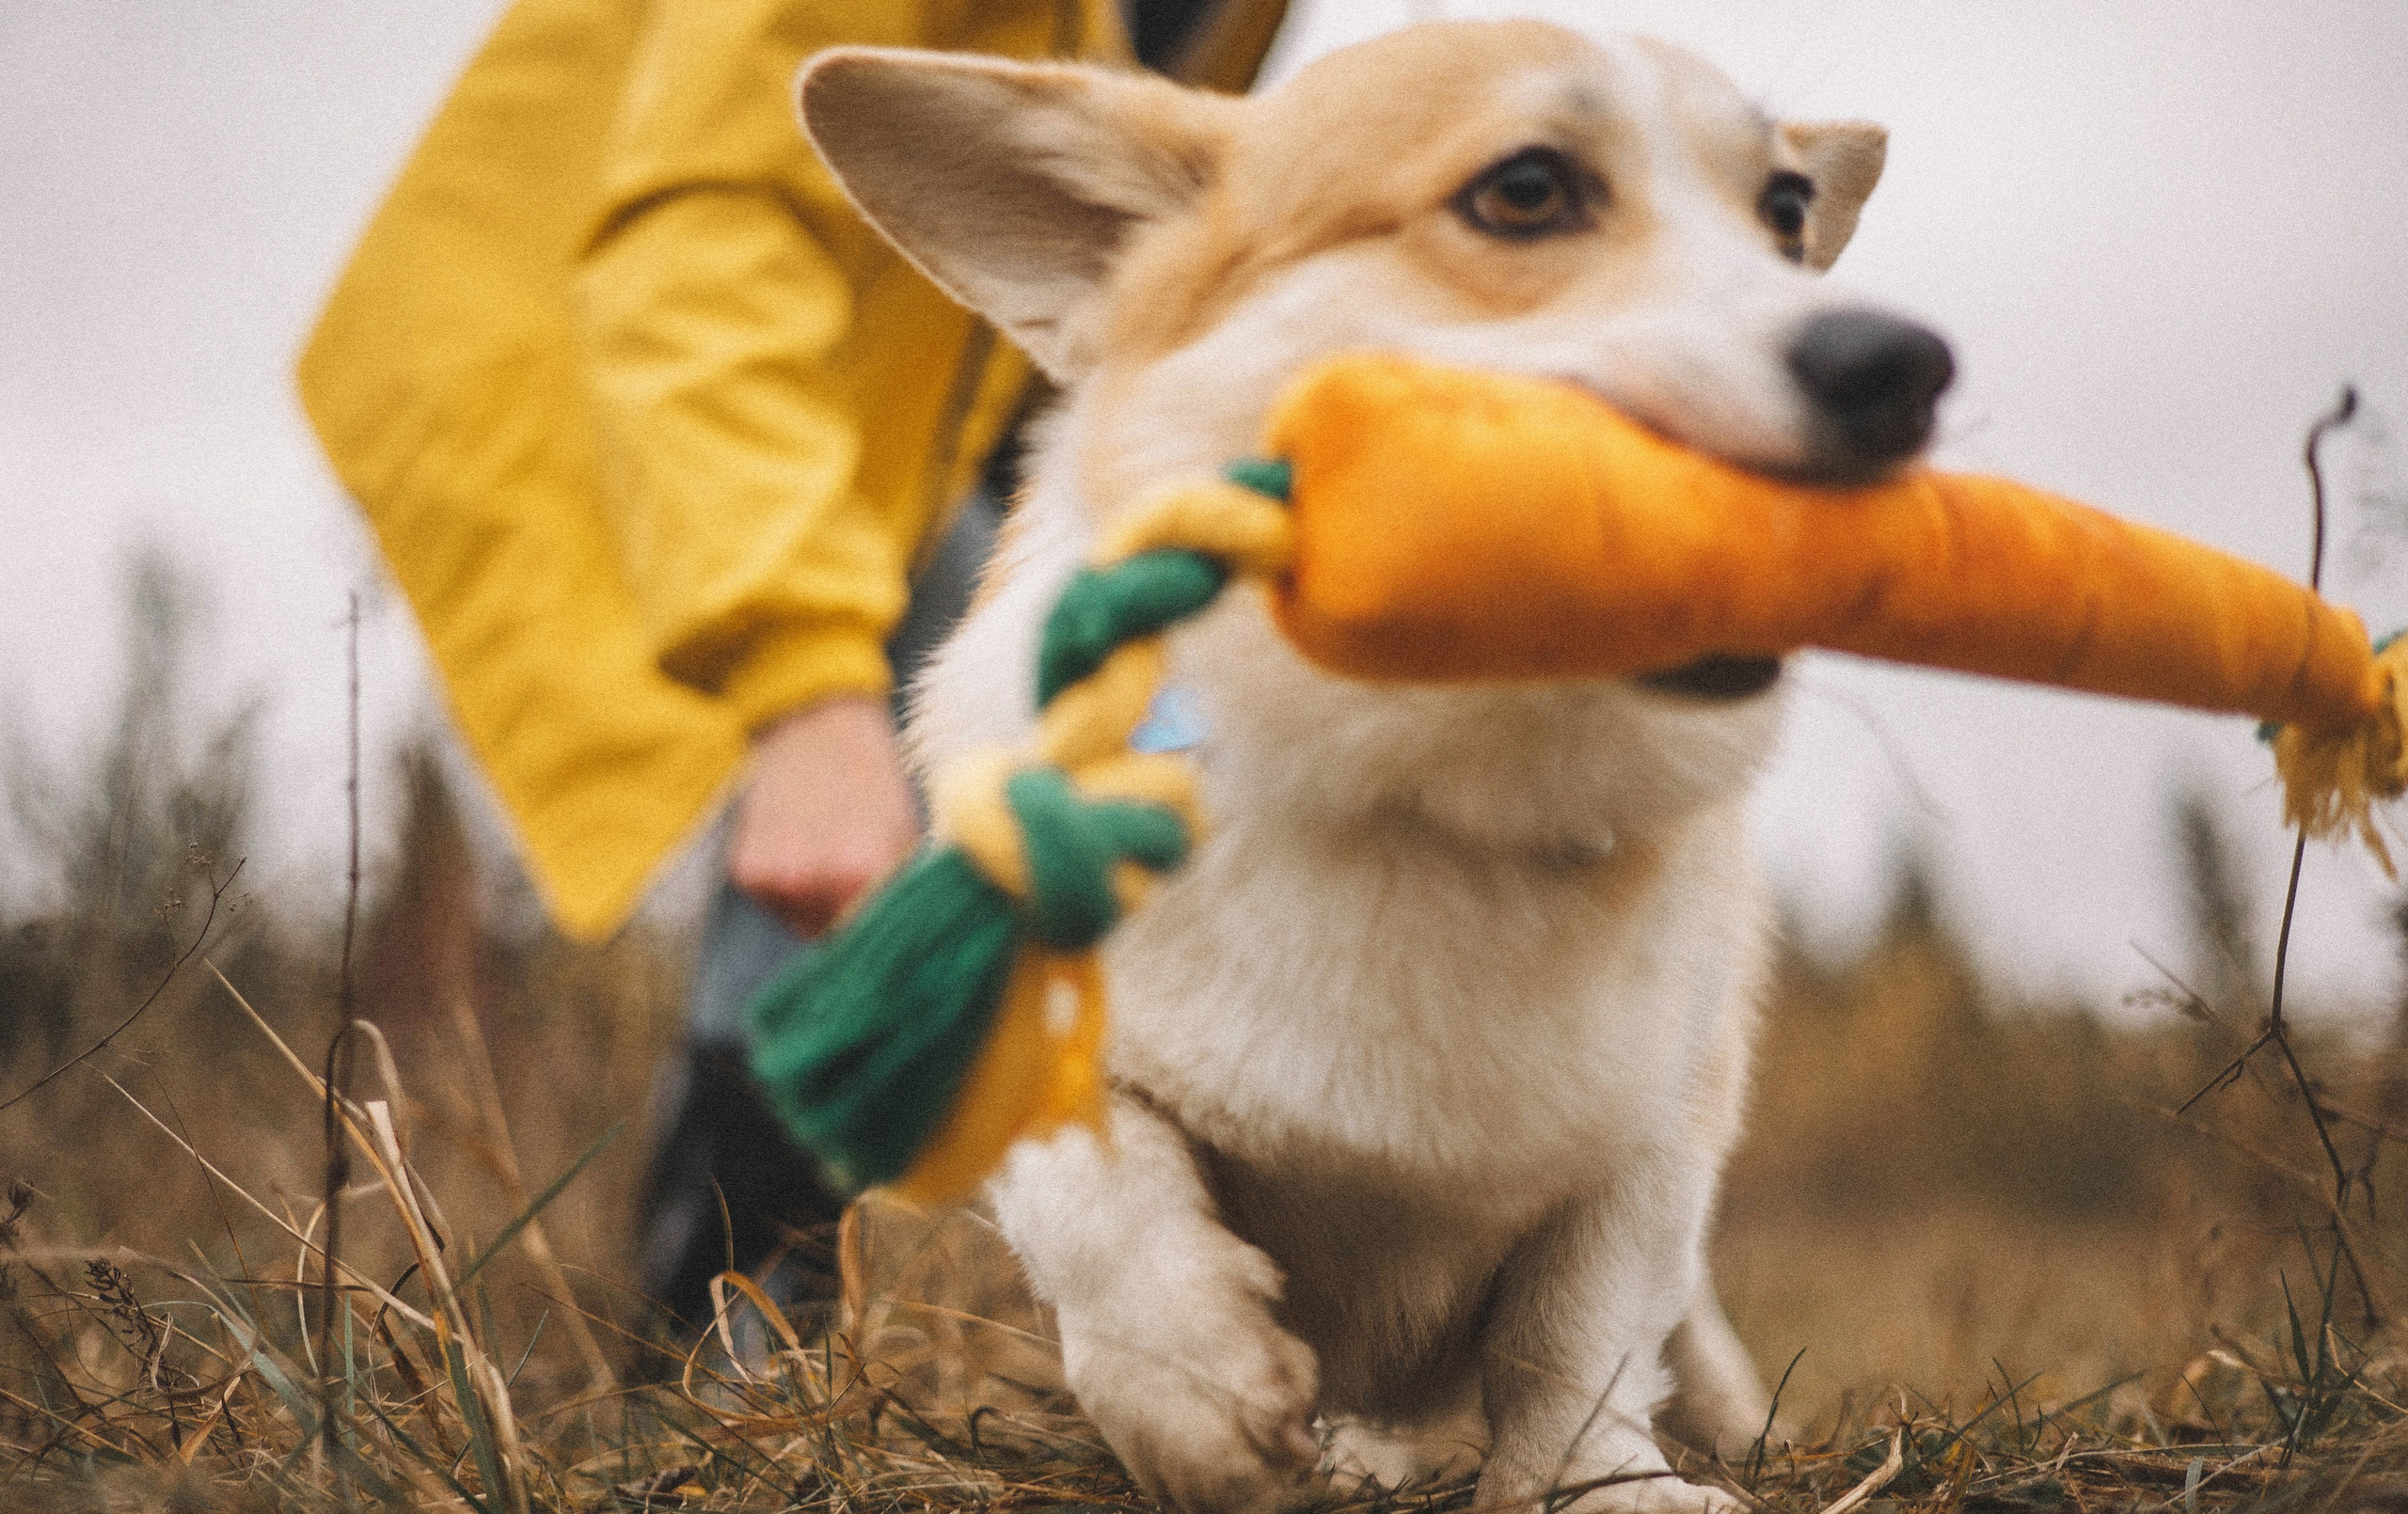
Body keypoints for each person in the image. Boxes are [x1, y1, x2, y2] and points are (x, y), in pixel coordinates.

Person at [298, 0, 1290, 1328]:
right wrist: (806, 692)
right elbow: (696, 258)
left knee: (987, 662)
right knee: (883, 695)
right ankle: (734, 1309)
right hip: (593, 329)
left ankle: (785, 1277)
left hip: (900, 391)